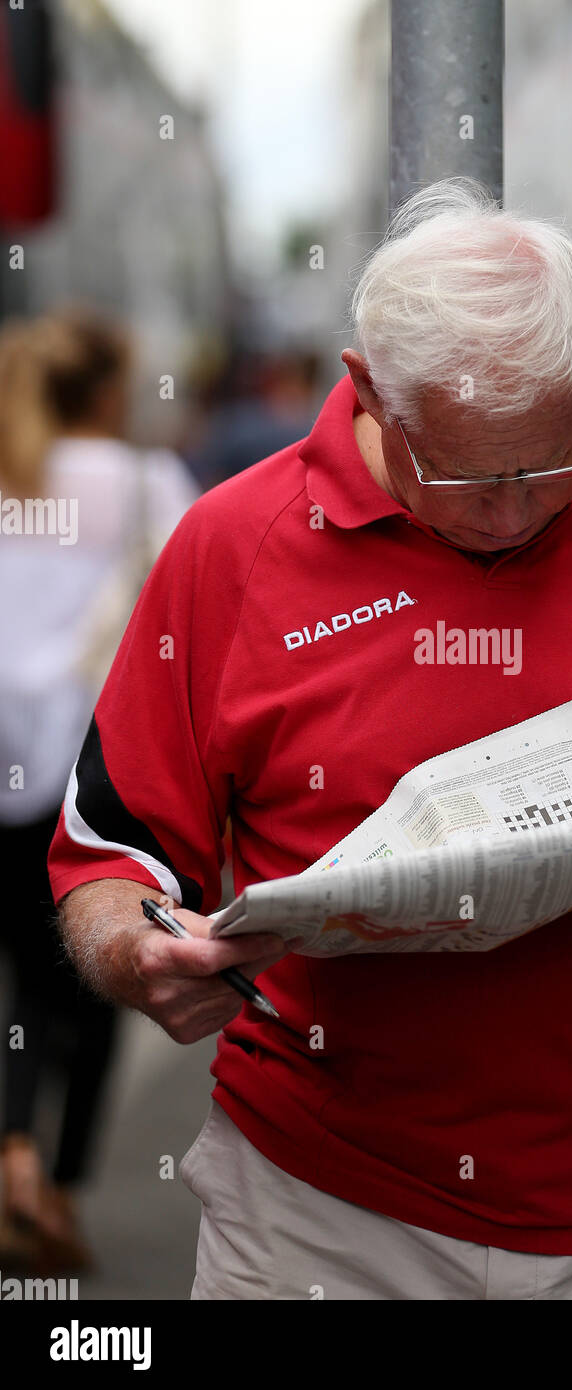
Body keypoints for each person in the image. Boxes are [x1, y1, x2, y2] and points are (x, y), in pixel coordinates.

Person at [48, 180, 572, 1300]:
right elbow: (112, 855)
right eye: (460, 473)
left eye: (545, 463)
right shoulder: (230, 547)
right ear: (363, 389)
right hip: (319, 1210)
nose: (507, 515)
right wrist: (138, 952)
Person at [0, 307, 199, 1272]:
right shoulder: (141, 480)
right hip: (84, 768)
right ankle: (57, 1180)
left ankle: (11, 1153)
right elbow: (193, 603)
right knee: (78, 980)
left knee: (9, 980)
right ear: (113, 390)